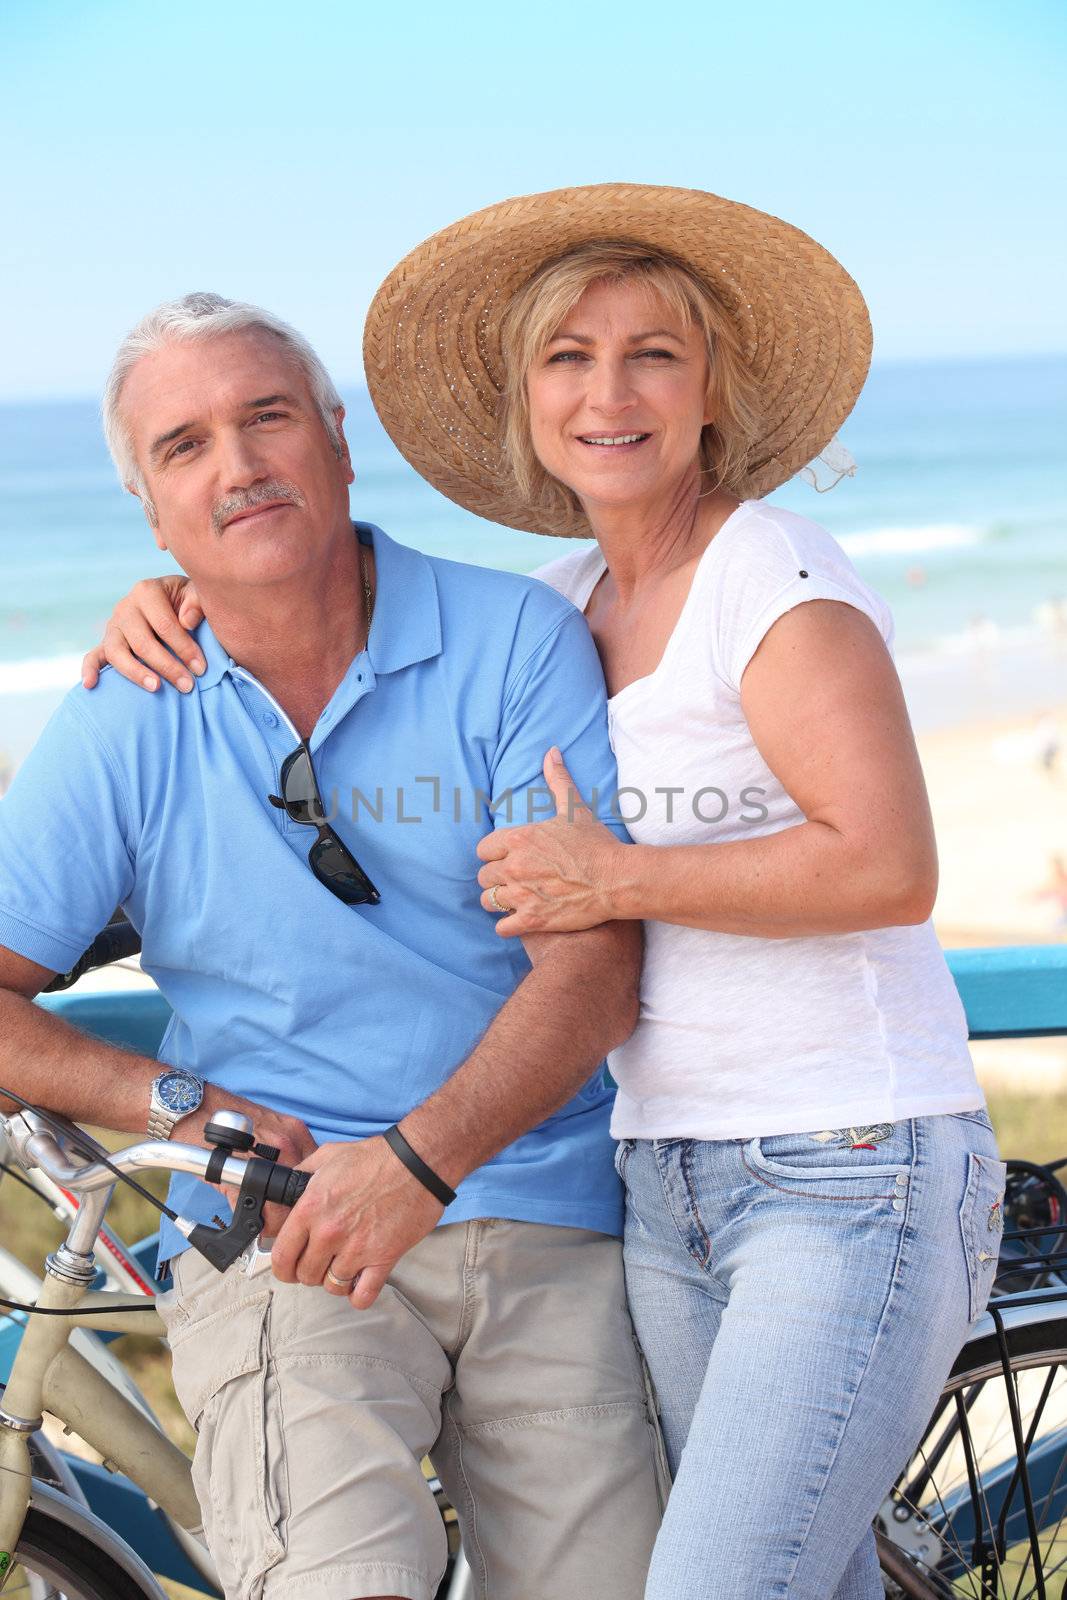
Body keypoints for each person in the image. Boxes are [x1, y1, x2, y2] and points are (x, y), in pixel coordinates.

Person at [88, 186, 1005, 1598]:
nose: (609, 393)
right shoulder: (566, 601)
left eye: (653, 354)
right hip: (663, 1173)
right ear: (525, 402)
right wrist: (184, 597)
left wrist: (617, 874)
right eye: (568, 358)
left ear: (712, 389)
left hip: (848, 1162)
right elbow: (325, 614)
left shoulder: (779, 582)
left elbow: (890, 864)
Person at [0, 292, 668, 1600]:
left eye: (267, 420)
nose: (239, 466)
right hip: (281, 1235)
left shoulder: (513, 641)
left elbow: (592, 966)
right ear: (151, 508)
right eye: (184, 446)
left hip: (545, 1207)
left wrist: (420, 1162)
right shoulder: (126, 716)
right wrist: (184, 1106)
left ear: (338, 442)